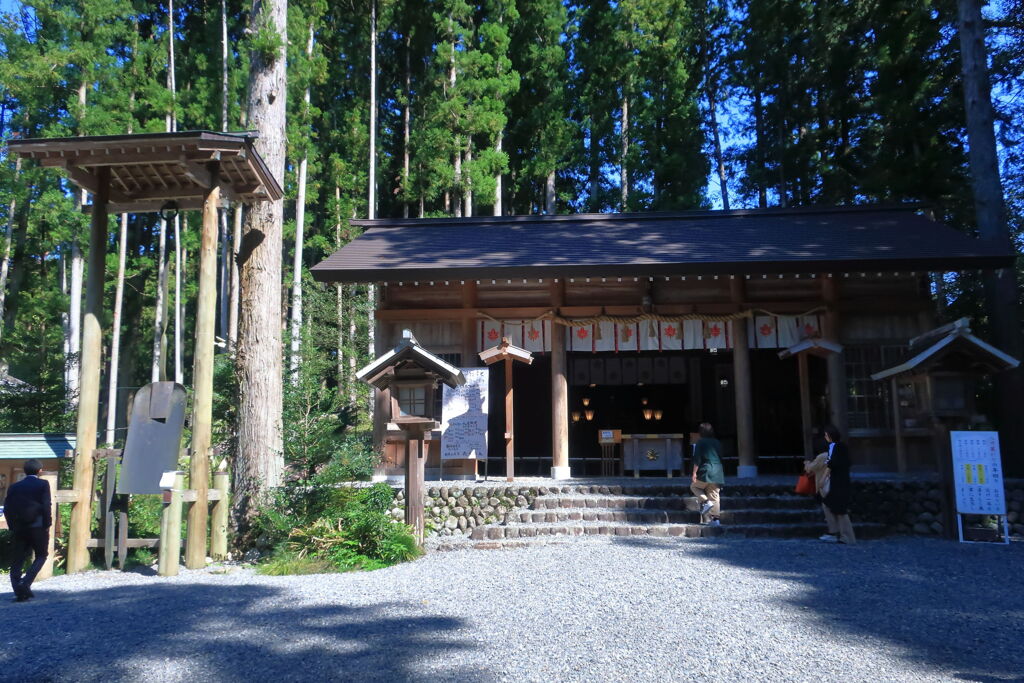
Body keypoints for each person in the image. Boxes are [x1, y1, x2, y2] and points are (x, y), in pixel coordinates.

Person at [3, 459, 52, 602]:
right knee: (42, 555)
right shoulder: (43, 484)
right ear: (40, 471)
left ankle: (18, 589)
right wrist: (47, 523)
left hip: (19, 527)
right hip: (38, 526)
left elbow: (7, 507)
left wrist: (12, 525)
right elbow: (46, 505)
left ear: (24, 471)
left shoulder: (14, 487)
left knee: (18, 557)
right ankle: (25, 582)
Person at [813, 424, 856, 545]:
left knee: (837, 508)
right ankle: (839, 533)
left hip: (838, 480)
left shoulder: (834, 447)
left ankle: (844, 535)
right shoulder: (843, 447)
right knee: (833, 505)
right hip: (843, 479)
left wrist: (822, 479)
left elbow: (830, 464)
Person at [690, 423, 725, 526]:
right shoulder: (717, 442)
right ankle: (716, 520)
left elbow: (697, 459)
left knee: (694, 486)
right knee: (714, 495)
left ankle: (706, 502)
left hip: (706, 470)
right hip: (718, 470)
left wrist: (694, 473)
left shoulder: (701, 442)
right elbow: (721, 456)